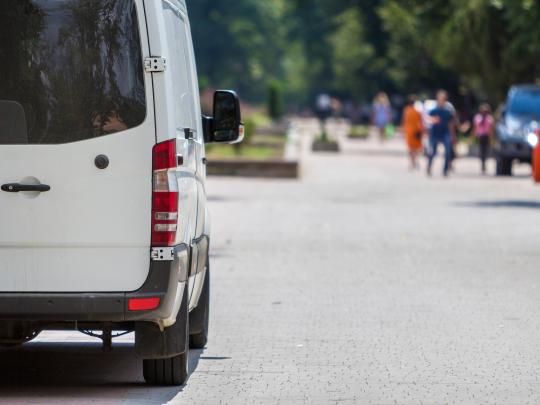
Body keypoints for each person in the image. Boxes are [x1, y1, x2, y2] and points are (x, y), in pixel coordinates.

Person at [427, 90, 455, 177]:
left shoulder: (448, 111)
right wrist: (433, 120)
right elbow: (428, 119)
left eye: (443, 99)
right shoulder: (434, 110)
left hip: (445, 133)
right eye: (440, 98)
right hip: (435, 133)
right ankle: (429, 166)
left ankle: (445, 170)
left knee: (447, 152)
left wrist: (452, 135)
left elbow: (451, 123)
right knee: (433, 152)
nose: (441, 100)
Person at [402, 95, 425, 169]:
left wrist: (403, 130)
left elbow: (404, 120)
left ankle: (412, 162)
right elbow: (421, 121)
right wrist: (423, 130)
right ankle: (415, 161)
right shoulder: (417, 111)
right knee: (416, 148)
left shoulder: (406, 110)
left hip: (409, 131)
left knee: (410, 148)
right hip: (416, 130)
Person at [473, 103, 494, 174]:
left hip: (486, 136)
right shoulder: (477, 118)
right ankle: (482, 163)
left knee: (485, 151)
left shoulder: (489, 119)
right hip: (480, 136)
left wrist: (491, 138)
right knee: (481, 150)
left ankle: (484, 163)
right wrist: (474, 136)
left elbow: (491, 129)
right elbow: (475, 128)